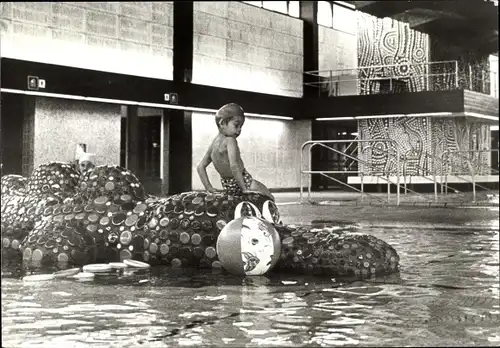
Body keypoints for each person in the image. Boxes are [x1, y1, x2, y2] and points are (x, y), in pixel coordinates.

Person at [197, 103, 274, 200]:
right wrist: (244, 188)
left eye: (241, 126)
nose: (239, 130)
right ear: (222, 123)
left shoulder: (213, 144)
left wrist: (208, 187)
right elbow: (234, 165)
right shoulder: (230, 140)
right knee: (270, 197)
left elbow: (200, 167)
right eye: (236, 125)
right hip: (245, 182)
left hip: (228, 186)